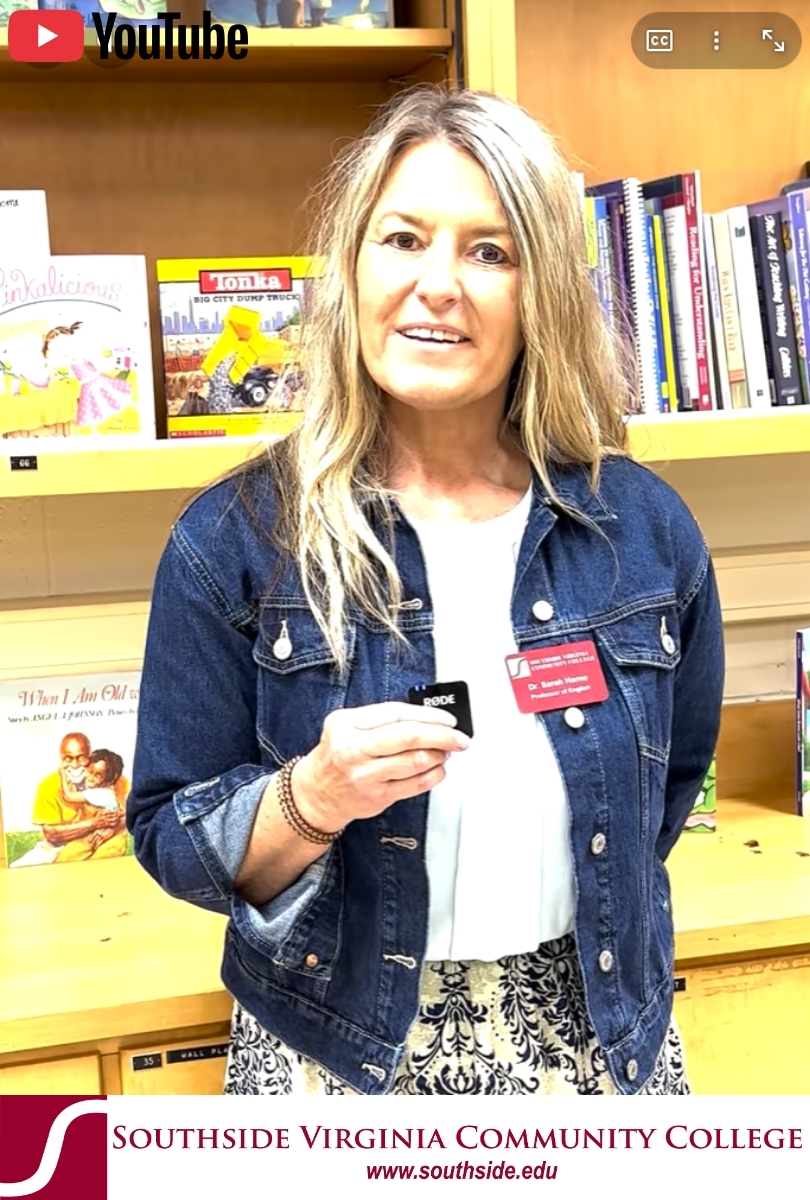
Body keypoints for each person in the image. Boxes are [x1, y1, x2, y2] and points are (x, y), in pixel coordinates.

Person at [129, 86, 724, 1096]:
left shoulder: (645, 530)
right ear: (350, 270)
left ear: (542, 293)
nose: (438, 284)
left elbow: (666, 791)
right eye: (403, 239)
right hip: (334, 1056)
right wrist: (309, 799)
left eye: (491, 252)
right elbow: (171, 839)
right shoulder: (235, 541)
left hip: (594, 1047)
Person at [32, 733, 128, 864]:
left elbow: (135, 812)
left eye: (81, 758)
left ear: (90, 756)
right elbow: (51, 834)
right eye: (68, 759)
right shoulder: (49, 785)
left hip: (105, 838)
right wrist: (95, 823)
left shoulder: (112, 778)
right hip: (58, 847)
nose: (75, 765)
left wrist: (112, 827)